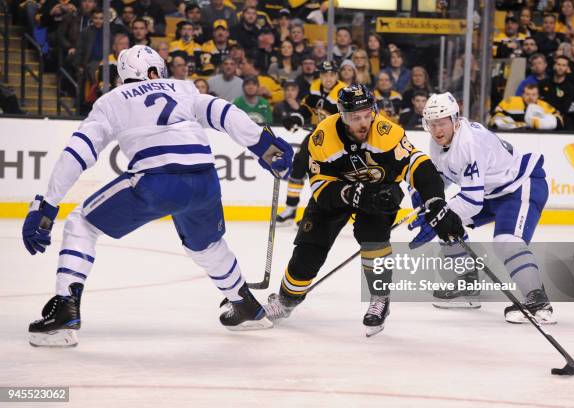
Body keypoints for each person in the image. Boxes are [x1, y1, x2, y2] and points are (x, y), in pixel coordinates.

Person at [23, 45, 294, 347]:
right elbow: (222, 112)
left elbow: (79, 153)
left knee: (81, 224)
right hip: (204, 180)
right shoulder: (184, 88)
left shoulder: (111, 101)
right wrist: (264, 146)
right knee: (207, 245)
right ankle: (245, 306)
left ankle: (65, 308)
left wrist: (47, 204)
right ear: (153, 72)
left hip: (157, 180)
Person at [262, 84, 463, 337]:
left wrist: (436, 202)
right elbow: (322, 190)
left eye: (368, 114)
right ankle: (286, 299)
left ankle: (380, 297)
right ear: (342, 116)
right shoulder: (323, 137)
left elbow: (420, 167)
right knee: (310, 246)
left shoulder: (387, 132)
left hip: (379, 193)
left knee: (374, 236)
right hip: (336, 196)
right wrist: (353, 193)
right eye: (356, 117)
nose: (363, 122)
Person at [409, 92, 556, 324]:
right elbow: (440, 179)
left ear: (455, 119)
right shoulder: (439, 140)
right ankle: (468, 284)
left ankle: (538, 301)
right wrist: (422, 194)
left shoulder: (469, 143)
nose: (437, 129)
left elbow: (471, 201)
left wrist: (437, 216)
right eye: (432, 123)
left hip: (519, 186)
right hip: (491, 192)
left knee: (506, 242)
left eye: (442, 122)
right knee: (445, 224)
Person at [275, 60, 347, 226]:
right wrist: (296, 119)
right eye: (324, 74)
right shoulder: (314, 87)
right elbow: (306, 109)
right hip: (318, 134)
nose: (328, 78)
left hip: (338, 139)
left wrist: (328, 107)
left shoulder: (344, 91)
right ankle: (290, 209)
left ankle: (321, 214)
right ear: (320, 75)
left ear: (336, 75)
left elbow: (346, 117)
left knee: (325, 175)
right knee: (298, 167)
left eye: (331, 74)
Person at [492, 84, 563, 130]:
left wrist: (540, 123)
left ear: (538, 96)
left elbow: (559, 120)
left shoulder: (544, 106)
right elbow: (496, 116)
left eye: (533, 95)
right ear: (523, 94)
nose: (530, 97)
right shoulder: (511, 101)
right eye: (527, 94)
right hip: (511, 135)